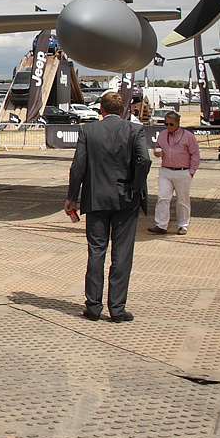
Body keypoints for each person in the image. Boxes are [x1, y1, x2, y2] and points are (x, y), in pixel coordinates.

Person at [65, 91, 151, 323]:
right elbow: (145, 160)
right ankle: (117, 308)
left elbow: (78, 166)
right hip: (126, 199)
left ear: (101, 109)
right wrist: (135, 186)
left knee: (96, 251)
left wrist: (72, 196)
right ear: (123, 110)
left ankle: (93, 306)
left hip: (96, 198)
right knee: (122, 254)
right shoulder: (135, 130)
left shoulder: (88, 130)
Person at [148, 110, 200, 235]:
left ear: (177, 123)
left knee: (182, 199)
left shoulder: (188, 136)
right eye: (166, 124)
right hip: (166, 170)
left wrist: (191, 171)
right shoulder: (162, 135)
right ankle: (161, 224)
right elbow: (157, 148)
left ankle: (183, 225)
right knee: (163, 197)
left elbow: (195, 154)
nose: (168, 127)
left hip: (183, 171)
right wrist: (157, 153)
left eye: (171, 124)